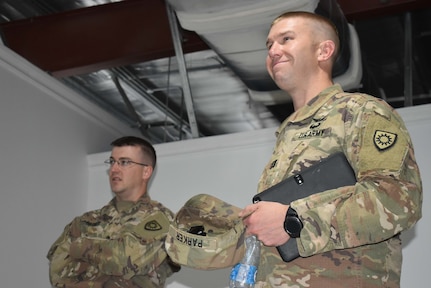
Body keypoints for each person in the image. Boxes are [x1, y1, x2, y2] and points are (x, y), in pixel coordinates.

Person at [239, 11, 422, 288]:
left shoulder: (362, 112)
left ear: (324, 50)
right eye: (269, 45)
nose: (274, 50)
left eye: (285, 39)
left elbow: (397, 200)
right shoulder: (287, 136)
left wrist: (293, 220)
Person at [47, 136, 180, 287]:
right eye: (112, 162)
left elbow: (125, 261)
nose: (114, 169)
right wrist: (108, 257)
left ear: (146, 171)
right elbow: (57, 272)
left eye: (124, 162)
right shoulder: (85, 221)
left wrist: (80, 246)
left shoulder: (161, 219)